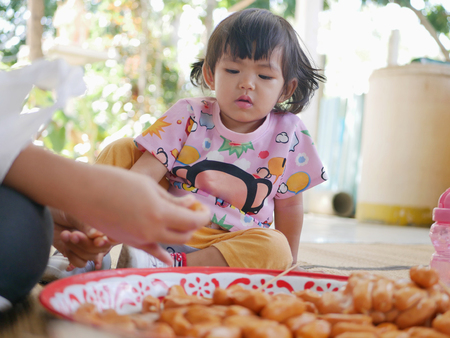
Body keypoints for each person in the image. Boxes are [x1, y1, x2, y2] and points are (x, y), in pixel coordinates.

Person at [95, 8, 328, 271]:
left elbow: (290, 206)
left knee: (276, 247)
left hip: (229, 244)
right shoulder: (190, 113)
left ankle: (168, 266)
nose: (247, 83)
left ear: (286, 88)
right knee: (121, 150)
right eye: (232, 70)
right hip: (166, 222)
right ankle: (88, 249)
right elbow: (143, 175)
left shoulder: (291, 134)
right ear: (210, 75)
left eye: (264, 76)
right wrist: (115, 219)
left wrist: (288, 260)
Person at [0, 60, 210, 311]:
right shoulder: (189, 113)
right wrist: (90, 190)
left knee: (22, 228)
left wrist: (58, 210)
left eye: (266, 76)